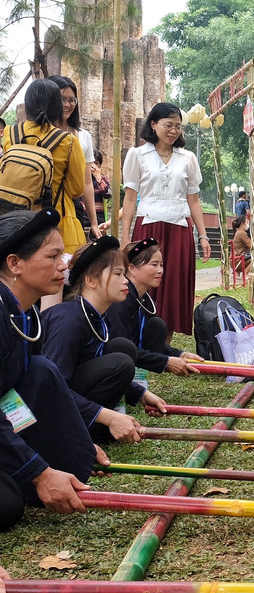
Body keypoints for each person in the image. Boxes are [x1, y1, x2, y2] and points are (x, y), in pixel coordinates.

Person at [0, 209, 116, 521]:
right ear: (15, 264)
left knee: (40, 370)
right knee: (9, 506)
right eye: (53, 256)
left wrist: (74, 439)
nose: (64, 265)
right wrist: (38, 472)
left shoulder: (24, 313)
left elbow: (15, 393)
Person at [41, 236, 166, 442]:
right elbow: (53, 388)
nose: (125, 280)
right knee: (121, 363)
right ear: (90, 280)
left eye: (124, 274)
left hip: (67, 392)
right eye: (118, 274)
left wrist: (140, 393)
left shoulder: (97, 315)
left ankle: (95, 428)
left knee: (122, 348)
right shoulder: (69, 321)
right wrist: (107, 416)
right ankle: (81, 433)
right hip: (46, 410)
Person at [120, 102, 211, 338]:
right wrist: (124, 236)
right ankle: (138, 338)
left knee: (173, 285)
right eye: (168, 125)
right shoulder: (137, 155)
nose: (173, 131)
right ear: (153, 124)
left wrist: (202, 236)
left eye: (178, 126)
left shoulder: (188, 158)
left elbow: (194, 201)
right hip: (148, 226)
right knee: (141, 282)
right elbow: (130, 199)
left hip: (180, 227)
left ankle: (164, 342)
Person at [1, 80, 86, 254]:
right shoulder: (67, 141)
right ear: (57, 105)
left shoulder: (11, 133)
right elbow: (77, 190)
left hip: (17, 219)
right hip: (57, 220)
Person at [107, 237, 204, 376]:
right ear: (132, 268)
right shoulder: (120, 300)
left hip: (128, 354)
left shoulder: (146, 300)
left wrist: (180, 355)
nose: (160, 270)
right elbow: (124, 347)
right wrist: (166, 362)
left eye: (161, 264)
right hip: (113, 360)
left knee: (157, 325)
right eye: (154, 264)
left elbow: (150, 346)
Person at [47, 75, 100, 242]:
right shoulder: (40, 133)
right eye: (62, 99)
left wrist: (93, 222)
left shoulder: (83, 136)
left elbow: (87, 182)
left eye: (72, 100)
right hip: (44, 203)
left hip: (72, 206)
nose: (68, 104)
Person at [92, 149, 111, 226]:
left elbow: (108, 194)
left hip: (99, 220)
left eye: (96, 163)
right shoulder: (80, 178)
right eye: (91, 163)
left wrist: (99, 178)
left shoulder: (103, 179)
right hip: (83, 218)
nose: (93, 166)